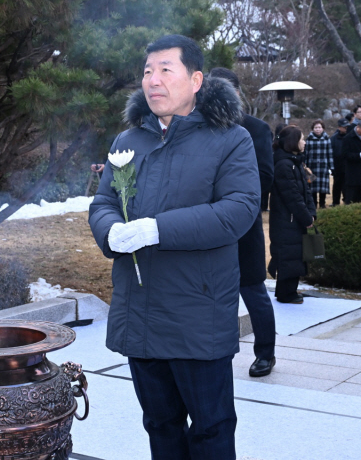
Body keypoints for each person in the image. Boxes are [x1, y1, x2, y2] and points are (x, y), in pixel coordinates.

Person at [89, 35, 260, 460]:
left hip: (197, 316)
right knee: (160, 427)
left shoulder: (230, 139)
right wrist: (109, 230)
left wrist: (156, 229)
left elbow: (238, 210)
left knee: (211, 430)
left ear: (196, 79)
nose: (154, 81)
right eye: (148, 71)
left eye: (166, 69)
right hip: (141, 315)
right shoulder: (128, 140)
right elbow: (104, 202)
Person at [209, 67, 276, 378]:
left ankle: (266, 352)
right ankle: (213, 352)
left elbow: (265, 177)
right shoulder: (201, 127)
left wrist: (230, 201)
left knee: (253, 291)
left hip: (243, 225)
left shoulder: (255, 128)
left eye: (225, 89)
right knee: (210, 295)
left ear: (236, 93)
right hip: (207, 226)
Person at [268, 125, 316, 304]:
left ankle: (291, 290)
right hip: (286, 220)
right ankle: (285, 293)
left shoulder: (295, 162)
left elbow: (306, 192)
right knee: (288, 255)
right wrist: (305, 217)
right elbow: (292, 196)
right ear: (292, 142)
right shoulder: (283, 165)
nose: (304, 142)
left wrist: (311, 213)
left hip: (296, 219)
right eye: (301, 138)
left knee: (296, 255)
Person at [304, 119, 334, 209]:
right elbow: (306, 154)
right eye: (315, 127)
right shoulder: (308, 139)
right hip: (312, 167)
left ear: (323, 128)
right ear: (312, 129)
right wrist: (305, 167)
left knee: (323, 187)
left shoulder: (327, 139)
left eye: (319, 127)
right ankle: (313, 204)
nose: (317, 129)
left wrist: (331, 167)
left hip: (323, 167)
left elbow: (330, 153)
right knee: (312, 187)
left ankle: (322, 203)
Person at [330, 118, 350, 206]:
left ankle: (347, 200)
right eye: (344, 127)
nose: (346, 129)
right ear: (339, 127)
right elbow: (331, 152)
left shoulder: (350, 136)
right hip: (337, 165)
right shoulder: (334, 138)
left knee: (347, 185)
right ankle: (335, 202)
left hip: (348, 165)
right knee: (337, 185)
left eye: (347, 127)